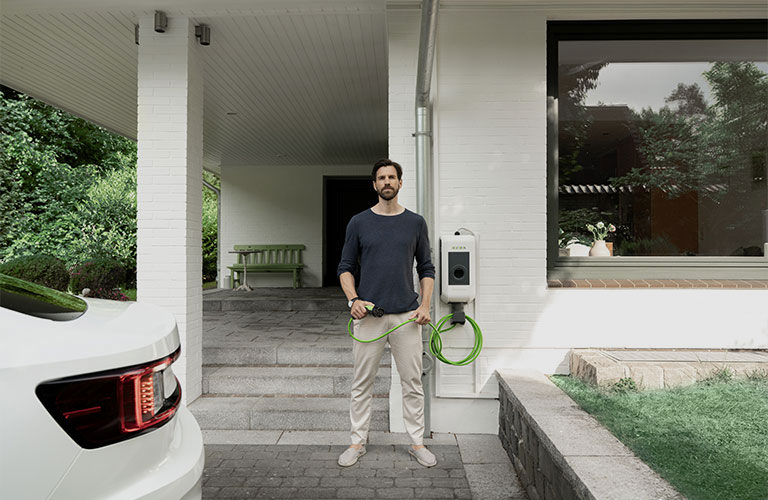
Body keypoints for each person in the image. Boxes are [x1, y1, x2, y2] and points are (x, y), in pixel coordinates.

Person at [336, 158, 437, 468]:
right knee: (362, 382)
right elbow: (345, 268)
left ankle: (417, 443)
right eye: (381, 178)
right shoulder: (359, 222)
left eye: (392, 177)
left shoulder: (416, 222)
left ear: (400, 183)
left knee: (412, 383)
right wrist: (353, 299)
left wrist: (425, 305)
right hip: (369, 317)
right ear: (375, 184)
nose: (387, 182)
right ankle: (357, 442)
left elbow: (427, 268)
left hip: (407, 317)